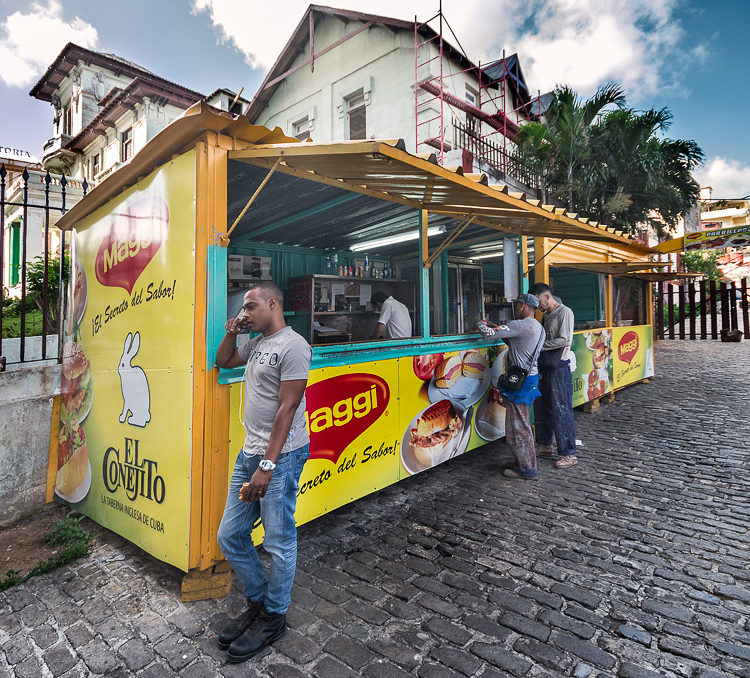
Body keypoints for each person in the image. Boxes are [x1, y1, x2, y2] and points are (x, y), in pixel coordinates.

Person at [215, 282, 311, 664]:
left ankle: (274, 616)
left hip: (281, 457)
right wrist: (232, 330)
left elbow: (287, 409)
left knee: (278, 540)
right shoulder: (254, 344)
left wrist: (268, 467)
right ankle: (257, 603)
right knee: (231, 535)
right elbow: (224, 361)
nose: (245, 313)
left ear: (273, 304)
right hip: (249, 453)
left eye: (251, 307)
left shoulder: (294, 346)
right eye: (243, 308)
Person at [480, 293, 545, 479]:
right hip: (531, 379)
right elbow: (517, 342)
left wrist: (479, 323)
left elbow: (486, 334)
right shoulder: (538, 327)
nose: (515, 308)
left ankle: (527, 469)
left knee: (519, 427)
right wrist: (501, 330)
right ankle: (521, 460)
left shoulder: (520, 325)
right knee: (519, 423)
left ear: (523, 305)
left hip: (521, 382)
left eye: (517, 305)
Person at [529, 282, 578, 469]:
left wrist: (539, 346)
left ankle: (569, 453)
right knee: (542, 407)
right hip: (544, 366)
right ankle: (544, 445)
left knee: (561, 409)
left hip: (559, 368)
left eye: (539, 301)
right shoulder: (547, 315)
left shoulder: (565, 312)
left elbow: (564, 339)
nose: (538, 306)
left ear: (547, 297)